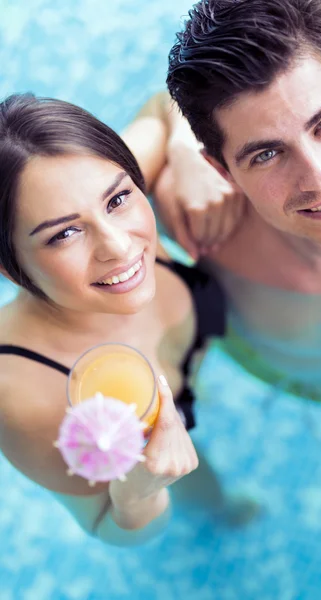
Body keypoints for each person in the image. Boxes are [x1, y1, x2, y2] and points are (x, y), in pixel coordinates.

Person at [140, 0, 321, 478]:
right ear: (220, 169)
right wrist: (174, 137)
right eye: (266, 154)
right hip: (279, 376)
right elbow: (43, 218)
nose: (320, 179)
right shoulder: (205, 219)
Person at [0, 93, 227, 546]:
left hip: (205, 368)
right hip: (156, 456)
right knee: (214, 502)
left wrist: (185, 151)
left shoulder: (86, 176)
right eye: (64, 234)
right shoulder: (22, 396)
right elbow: (104, 525)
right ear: (10, 269)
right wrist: (137, 490)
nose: (121, 247)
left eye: (119, 199)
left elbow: (170, 102)